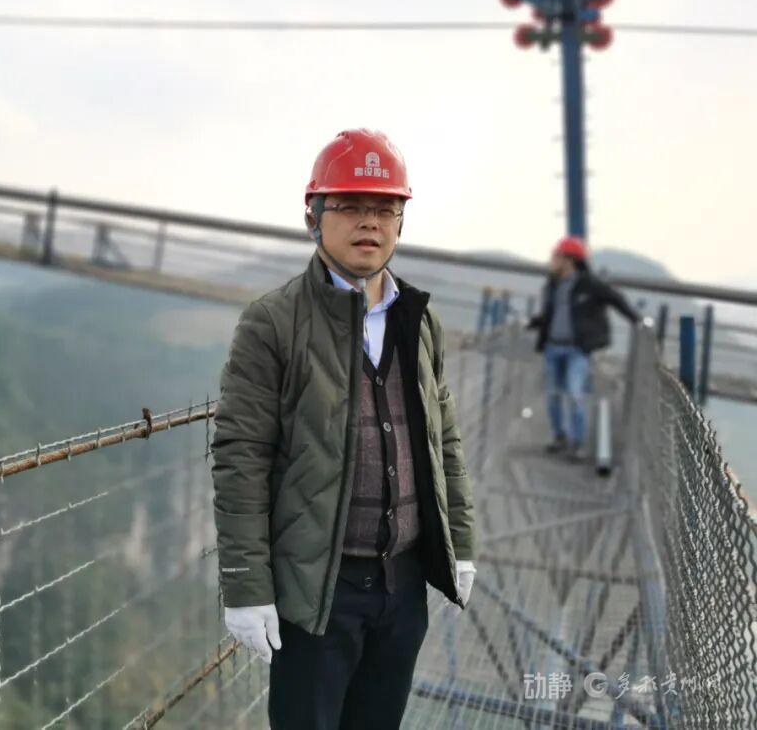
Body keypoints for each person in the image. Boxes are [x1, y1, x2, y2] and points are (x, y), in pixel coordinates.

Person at [210, 129, 478, 729]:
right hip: (319, 590)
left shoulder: (419, 319)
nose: (370, 223)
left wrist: (460, 543)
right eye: (350, 206)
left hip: (404, 584)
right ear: (313, 215)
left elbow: (445, 440)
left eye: (386, 208)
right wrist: (246, 586)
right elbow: (241, 458)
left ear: (401, 221)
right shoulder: (273, 323)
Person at [527, 235, 639, 459]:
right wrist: (536, 323)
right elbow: (552, 314)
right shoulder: (553, 285)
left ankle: (577, 442)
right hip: (552, 347)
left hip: (577, 350)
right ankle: (559, 437)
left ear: (569, 259)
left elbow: (615, 299)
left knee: (575, 392)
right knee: (553, 394)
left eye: (557, 256)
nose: (552, 260)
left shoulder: (589, 285)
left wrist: (636, 320)